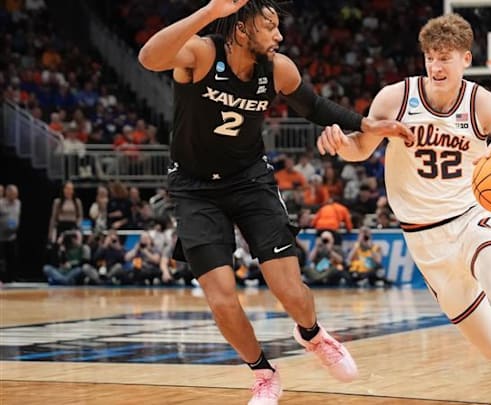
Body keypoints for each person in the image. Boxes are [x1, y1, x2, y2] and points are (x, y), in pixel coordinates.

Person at [316, 13, 491, 405]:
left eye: (445, 57)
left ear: (466, 59)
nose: (436, 66)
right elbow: (359, 148)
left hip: (472, 220)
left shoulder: (483, 105)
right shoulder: (394, 99)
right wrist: (339, 144)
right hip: (424, 239)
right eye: (431, 57)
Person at [137, 1, 412, 403]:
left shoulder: (278, 68)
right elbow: (148, 58)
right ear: (243, 31)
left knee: (289, 289)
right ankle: (264, 373)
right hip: (194, 189)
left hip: (250, 181)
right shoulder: (201, 53)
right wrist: (210, 10)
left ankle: (313, 334)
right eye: (270, 27)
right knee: (221, 297)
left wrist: (365, 124)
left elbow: (314, 106)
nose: (279, 36)